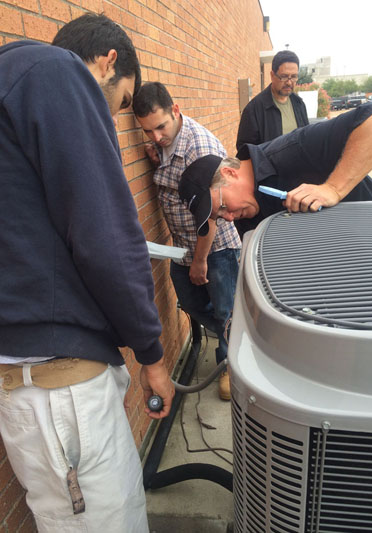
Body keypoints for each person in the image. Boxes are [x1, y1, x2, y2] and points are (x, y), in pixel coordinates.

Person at [0, 14, 174, 533]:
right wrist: (153, 354)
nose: (117, 117)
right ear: (107, 62)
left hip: (30, 390)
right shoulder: (55, 72)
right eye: (122, 102)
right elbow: (105, 235)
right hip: (62, 394)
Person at [132, 82, 241, 400]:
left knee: (225, 312)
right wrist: (157, 153)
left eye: (160, 127)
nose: (155, 136)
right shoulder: (164, 141)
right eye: (147, 131)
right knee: (192, 304)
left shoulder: (199, 147)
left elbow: (212, 213)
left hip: (215, 247)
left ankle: (230, 367)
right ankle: (238, 336)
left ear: (175, 110)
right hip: (182, 246)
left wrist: (200, 261)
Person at [179, 102, 372, 238]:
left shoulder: (293, 150)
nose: (228, 218)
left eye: (224, 206)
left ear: (229, 173)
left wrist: (333, 188)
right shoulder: (244, 217)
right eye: (219, 216)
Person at [236, 50, 309, 152]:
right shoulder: (254, 109)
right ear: (272, 75)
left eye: (293, 77)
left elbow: (306, 139)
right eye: (283, 77)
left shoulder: (299, 104)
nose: (289, 82)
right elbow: (244, 151)